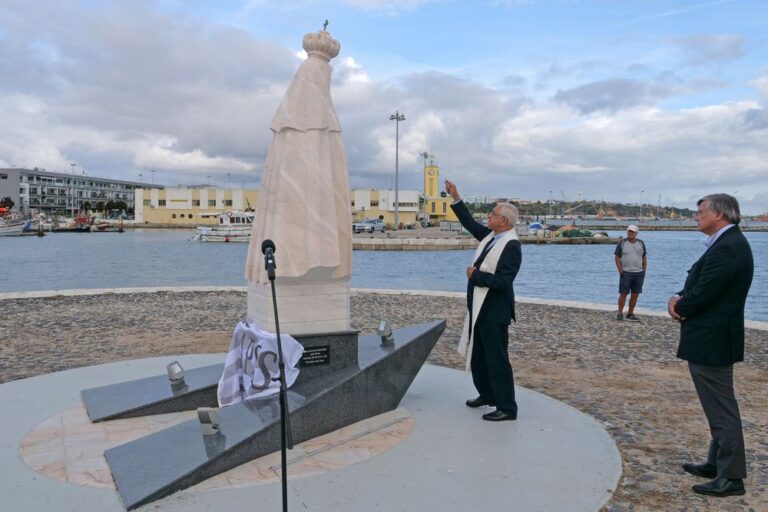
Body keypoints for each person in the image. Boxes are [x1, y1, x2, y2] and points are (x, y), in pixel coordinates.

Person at [667, 193, 753, 497]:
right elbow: (701, 284)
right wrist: (680, 297)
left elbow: (705, 293)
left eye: (700, 211)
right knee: (716, 405)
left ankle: (731, 477)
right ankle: (717, 463)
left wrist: (679, 304)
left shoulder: (729, 248)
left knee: (721, 408)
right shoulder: (726, 244)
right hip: (713, 337)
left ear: (719, 214)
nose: (696, 216)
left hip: (713, 339)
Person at [445, 180, 522, 422]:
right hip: (478, 309)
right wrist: (456, 197)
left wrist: (475, 275)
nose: (489, 216)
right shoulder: (491, 237)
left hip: (494, 311)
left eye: (493, 213)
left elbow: (503, 282)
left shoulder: (511, 245)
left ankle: (507, 407)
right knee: (479, 355)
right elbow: (469, 223)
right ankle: (487, 394)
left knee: (497, 359)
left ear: (504, 221)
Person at [614, 224, 647, 321]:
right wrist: (620, 271)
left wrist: (644, 271)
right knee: (623, 294)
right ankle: (620, 313)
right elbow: (616, 257)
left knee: (635, 294)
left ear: (636, 233)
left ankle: (630, 313)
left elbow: (644, 257)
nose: (630, 233)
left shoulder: (641, 243)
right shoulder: (622, 243)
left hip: (639, 273)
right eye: (629, 231)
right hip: (626, 273)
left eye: (632, 232)